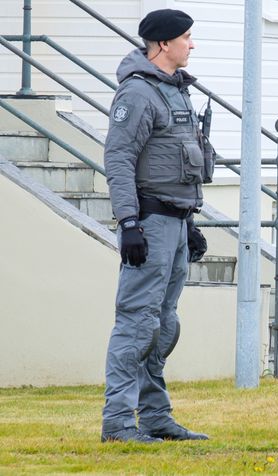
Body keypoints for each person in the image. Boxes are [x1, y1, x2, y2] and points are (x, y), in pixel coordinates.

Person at [101, 8, 212, 443]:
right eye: (186, 37)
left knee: (164, 325)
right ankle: (118, 423)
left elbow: (177, 161)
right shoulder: (139, 94)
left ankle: (156, 416)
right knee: (137, 322)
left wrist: (189, 220)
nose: (192, 44)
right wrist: (129, 222)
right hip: (149, 224)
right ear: (163, 44)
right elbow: (119, 159)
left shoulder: (176, 91)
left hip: (175, 223)